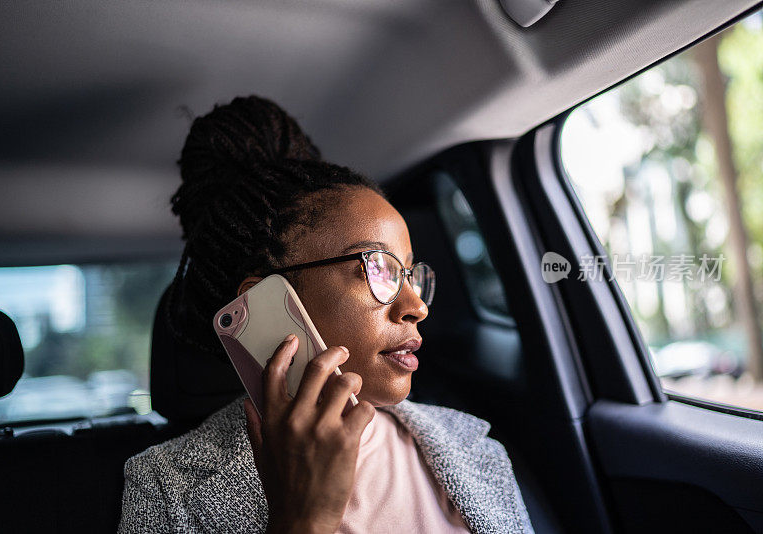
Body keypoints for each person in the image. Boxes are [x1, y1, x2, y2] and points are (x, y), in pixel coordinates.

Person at [118, 95, 534, 533]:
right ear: (264, 300)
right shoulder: (167, 488)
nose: (417, 306)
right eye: (377, 268)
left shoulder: (476, 450)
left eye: (410, 274)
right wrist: (302, 520)